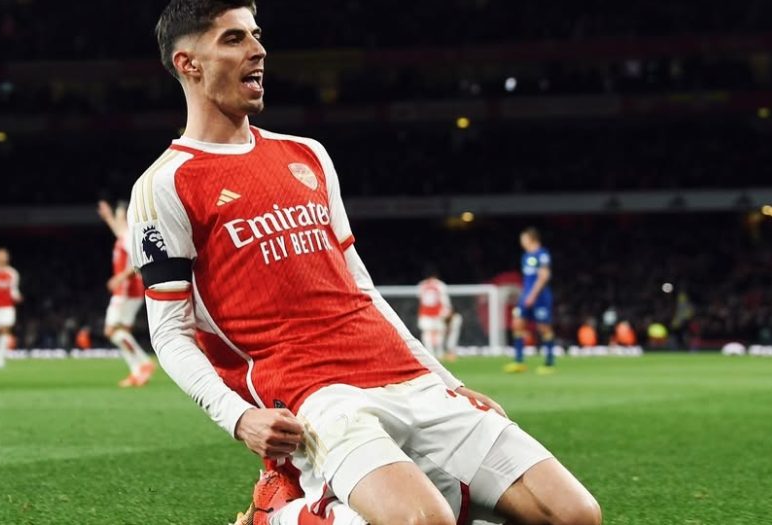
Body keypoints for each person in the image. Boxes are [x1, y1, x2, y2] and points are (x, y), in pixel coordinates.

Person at [131, 3, 601, 525]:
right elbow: (170, 332)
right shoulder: (165, 184)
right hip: (317, 394)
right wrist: (240, 418)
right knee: (424, 521)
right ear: (188, 63)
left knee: (576, 515)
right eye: (234, 39)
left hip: (406, 375)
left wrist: (445, 381)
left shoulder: (307, 155)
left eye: (257, 35)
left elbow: (360, 286)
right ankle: (277, 516)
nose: (258, 50)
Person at [98, 200, 157, 387]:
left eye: (120, 216)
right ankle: (137, 372)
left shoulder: (129, 237)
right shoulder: (125, 235)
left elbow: (138, 261)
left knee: (111, 331)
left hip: (126, 290)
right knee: (121, 332)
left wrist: (120, 278)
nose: (118, 220)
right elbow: (117, 230)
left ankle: (144, 363)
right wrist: (108, 217)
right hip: (131, 290)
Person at [506, 227, 558, 375]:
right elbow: (528, 280)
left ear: (531, 239)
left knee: (544, 328)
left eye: (523, 239)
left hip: (540, 297)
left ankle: (549, 363)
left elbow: (544, 276)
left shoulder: (542, 254)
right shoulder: (526, 256)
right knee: (517, 324)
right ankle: (519, 361)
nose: (521, 242)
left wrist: (532, 295)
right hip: (526, 296)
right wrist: (524, 295)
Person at [417, 270, 453, 360]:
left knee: (427, 333)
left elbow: (420, 298)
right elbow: (445, 300)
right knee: (439, 333)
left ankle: (429, 354)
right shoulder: (440, 285)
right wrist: (447, 311)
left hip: (425, 314)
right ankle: (439, 353)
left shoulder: (421, 285)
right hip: (437, 313)